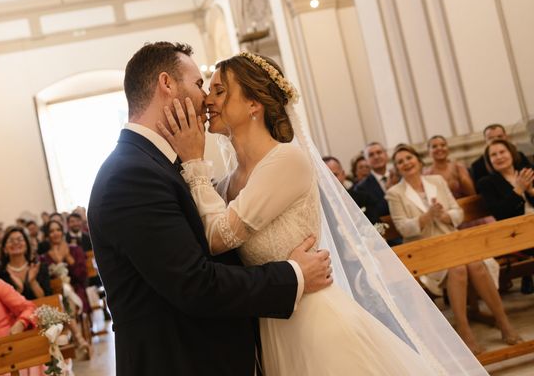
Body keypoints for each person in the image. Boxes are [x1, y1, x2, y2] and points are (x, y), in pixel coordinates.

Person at [162, 51, 476, 375]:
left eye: (219, 90)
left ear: (254, 103)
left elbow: (217, 237)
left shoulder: (287, 161)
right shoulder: (227, 183)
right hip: (273, 324)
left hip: (316, 324)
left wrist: (194, 163)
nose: (207, 100)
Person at [88, 42, 333, 376]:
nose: (206, 99)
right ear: (167, 84)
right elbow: (194, 284)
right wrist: (294, 274)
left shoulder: (154, 165)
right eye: (200, 85)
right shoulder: (132, 175)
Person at [387, 144, 522, 354]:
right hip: (425, 248)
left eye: (409, 158)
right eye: (400, 161)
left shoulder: (437, 181)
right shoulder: (395, 193)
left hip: (451, 240)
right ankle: (464, 329)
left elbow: (457, 212)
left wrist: (443, 216)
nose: (406, 163)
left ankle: (503, 322)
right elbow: (403, 227)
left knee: (476, 264)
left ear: (418, 160)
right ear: (397, 168)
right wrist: (427, 216)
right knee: (457, 268)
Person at [477, 139, 534, 294]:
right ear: (489, 161)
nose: (499, 157)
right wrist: (519, 189)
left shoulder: (527, 172)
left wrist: (530, 191)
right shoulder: (487, 183)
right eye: (493, 155)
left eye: (502, 152)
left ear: (511, 153)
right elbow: (500, 213)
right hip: (514, 233)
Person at [41, 220, 89, 314]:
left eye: (58, 230)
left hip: (76, 289)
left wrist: (67, 257)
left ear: (62, 232)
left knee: (70, 300)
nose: (55, 233)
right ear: (47, 235)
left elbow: (82, 277)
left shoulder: (75, 250)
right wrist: (58, 262)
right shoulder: (44, 258)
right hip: (56, 293)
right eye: (51, 231)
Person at [0, 226, 51, 300]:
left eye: (20, 239)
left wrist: (33, 282)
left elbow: (48, 300)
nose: (15, 243)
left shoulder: (39, 267)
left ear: (26, 246)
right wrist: (18, 290)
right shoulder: (0, 276)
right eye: (11, 240)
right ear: (5, 249)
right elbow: (2, 306)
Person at [470, 124, 531, 188]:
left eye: (500, 136)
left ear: (506, 137)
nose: (496, 140)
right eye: (491, 138)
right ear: (485, 141)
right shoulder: (477, 166)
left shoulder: (519, 155)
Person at [323, 156, 380, 224]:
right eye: (325, 177)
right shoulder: (320, 207)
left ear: (343, 174)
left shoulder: (364, 199)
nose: (330, 180)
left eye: (334, 175)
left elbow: (377, 225)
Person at [355, 142, 399, 217]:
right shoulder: (361, 188)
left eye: (379, 152)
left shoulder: (400, 176)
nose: (376, 157)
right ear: (366, 161)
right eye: (371, 155)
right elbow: (374, 213)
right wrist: (389, 192)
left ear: (386, 155)